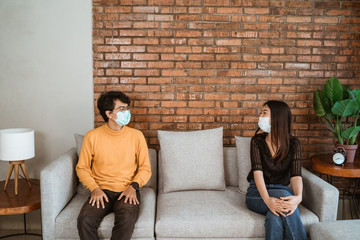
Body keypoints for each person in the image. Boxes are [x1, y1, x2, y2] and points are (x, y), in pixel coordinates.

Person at [76, 91, 152, 240]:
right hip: (101, 190)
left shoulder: (136, 136)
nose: (127, 112)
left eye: (127, 108)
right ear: (109, 114)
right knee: (84, 221)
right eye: (122, 109)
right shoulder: (92, 136)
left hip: (127, 190)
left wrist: (134, 187)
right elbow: (82, 167)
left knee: (126, 220)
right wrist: (94, 189)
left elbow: (145, 168)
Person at [245, 100, 307, 240]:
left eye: (264, 113)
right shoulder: (257, 141)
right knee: (284, 206)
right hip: (257, 193)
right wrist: (267, 200)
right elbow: (257, 173)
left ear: (277, 118)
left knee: (274, 217)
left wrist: (298, 197)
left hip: (282, 190)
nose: (260, 116)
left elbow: (296, 175)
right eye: (261, 112)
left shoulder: (294, 144)